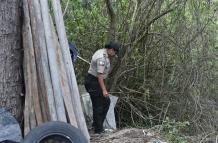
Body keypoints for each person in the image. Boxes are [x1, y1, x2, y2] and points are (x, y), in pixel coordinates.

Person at [84, 41, 119, 134]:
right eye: (114, 52)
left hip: (95, 81)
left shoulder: (102, 52)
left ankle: (97, 125)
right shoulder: (102, 58)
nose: (114, 55)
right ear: (111, 50)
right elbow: (99, 75)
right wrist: (104, 90)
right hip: (93, 81)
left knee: (106, 101)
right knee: (98, 105)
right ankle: (98, 130)